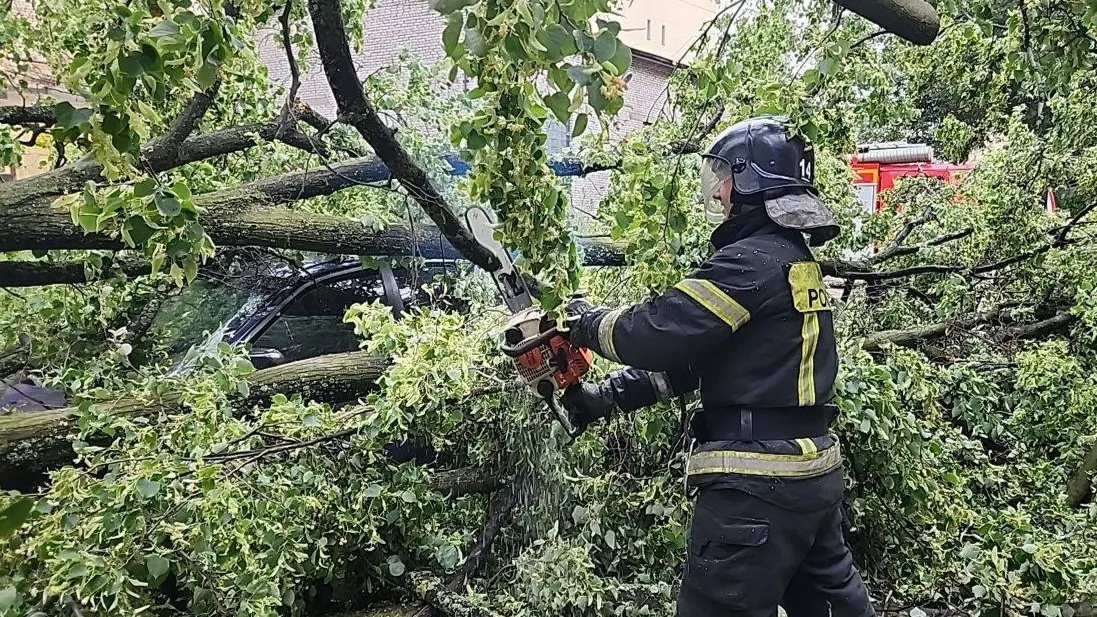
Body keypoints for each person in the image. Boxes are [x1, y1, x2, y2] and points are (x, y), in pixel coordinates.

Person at [560, 115, 875, 617]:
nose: (718, 189)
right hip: (810, 479)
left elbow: (659, 332)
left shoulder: (749, 263)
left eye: (723, 175)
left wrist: (583, 324)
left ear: (749, 180)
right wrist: (606, 398)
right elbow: (700, 363)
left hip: (756, 490)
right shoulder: (792, 260)